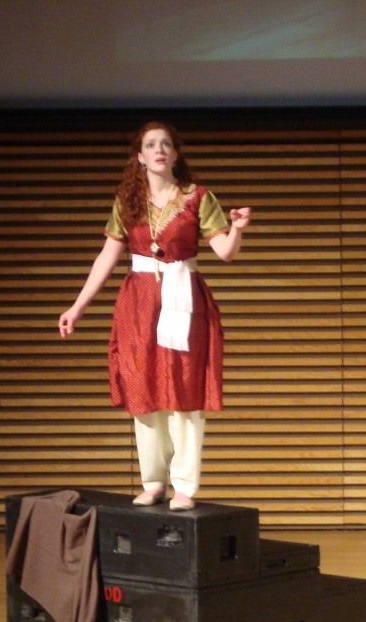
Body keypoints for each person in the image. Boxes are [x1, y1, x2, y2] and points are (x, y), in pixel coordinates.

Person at [58, 121, 250, 511]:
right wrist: (77, 306)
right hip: (140, 302)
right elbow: (107, 257)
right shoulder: (128, 201)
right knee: (142, 390)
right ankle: (153, 481)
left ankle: (184, 485)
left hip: (184, 299)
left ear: (176, 154)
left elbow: (225, 252)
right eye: (151, 144)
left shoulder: (197, 198)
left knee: (184, 391)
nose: (159, 149)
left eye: (166, 144)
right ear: (140, 157)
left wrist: (239, 229)